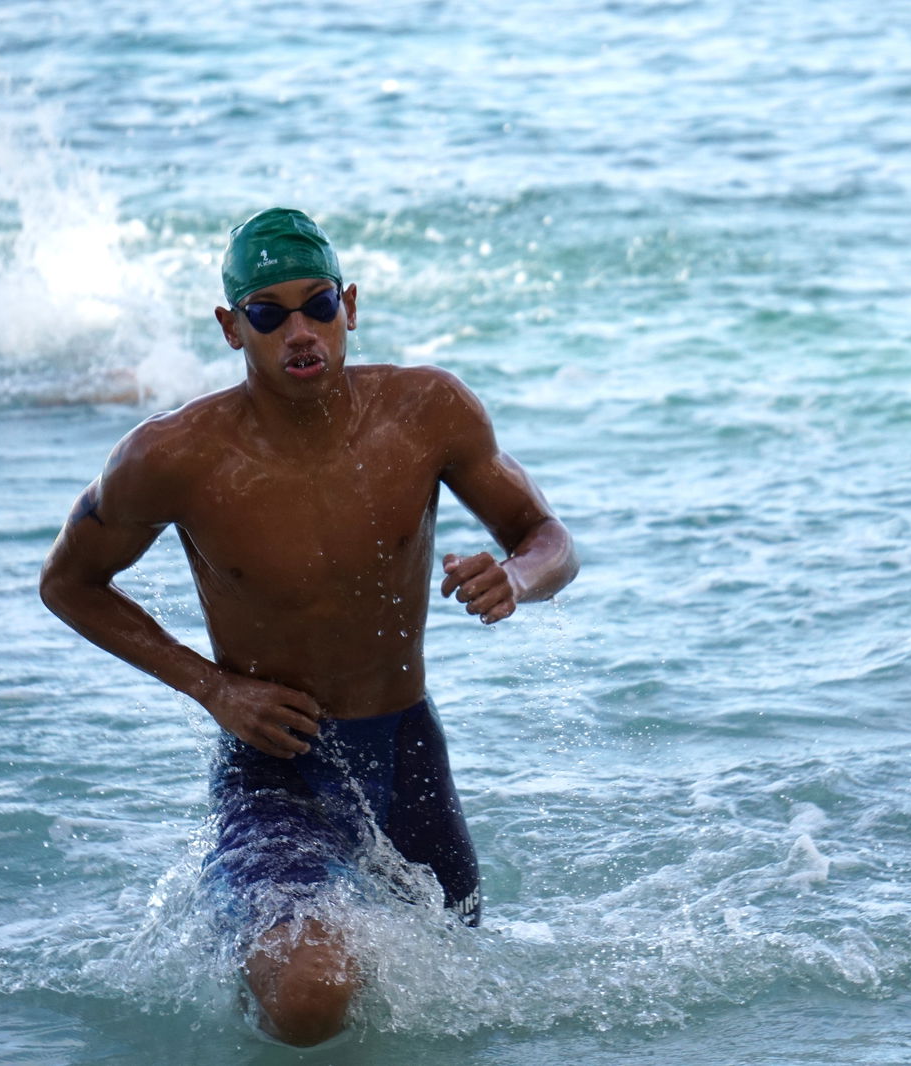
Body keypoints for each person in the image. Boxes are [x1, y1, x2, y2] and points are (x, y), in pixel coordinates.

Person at [38, 207, 579, 1047]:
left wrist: (515, 578)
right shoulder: (173, 457)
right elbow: (69, 584)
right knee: (308, 997)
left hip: (408, 753)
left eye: (317, 304)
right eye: (268, 312)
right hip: (277, 763)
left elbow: (550, 540)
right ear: (231, 327)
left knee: (458, 1006)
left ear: (349, 307)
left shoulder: (427, 412)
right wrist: (213, 687)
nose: (300, 330)